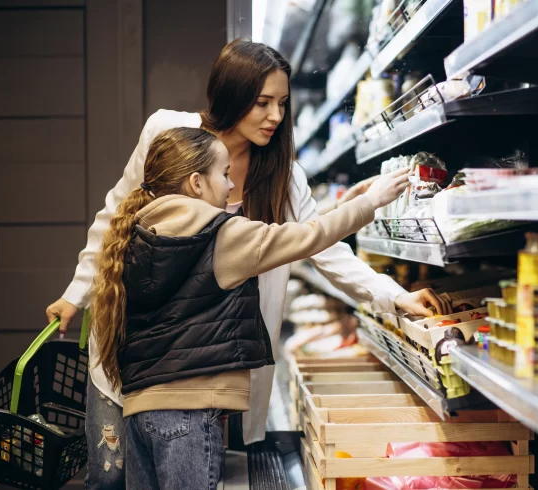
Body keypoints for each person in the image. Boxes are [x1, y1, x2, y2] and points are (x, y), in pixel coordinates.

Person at [44, 40, 452, 489]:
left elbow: (327, 252)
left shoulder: (282, 174)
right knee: (109, 475)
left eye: (282, 103)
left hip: (205, 364)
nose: (276, 116)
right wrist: (75, 294)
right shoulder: (168, 133)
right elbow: (116, 217)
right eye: (262, 103)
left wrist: (394, 295)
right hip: (130, 348)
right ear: (233, 95)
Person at [89, 126, 410, 489]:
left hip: (137, 414)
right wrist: (370, 202)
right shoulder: (220, 236)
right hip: (189, 418)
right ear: (196, 183)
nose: (230, 185)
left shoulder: (133, 235)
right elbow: (306, 237)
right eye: (223, 174)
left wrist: (340, 206)